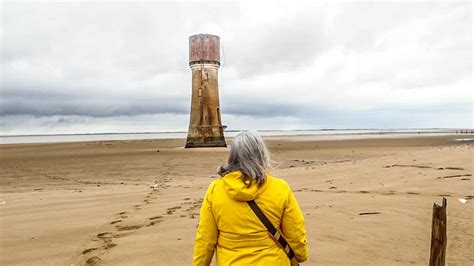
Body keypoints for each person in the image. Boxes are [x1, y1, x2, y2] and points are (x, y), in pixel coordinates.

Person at [193, 131, 309, 265]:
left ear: (233, 157)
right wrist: (301, 255)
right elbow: (295, 230)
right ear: (261, 155)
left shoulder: (215, 190)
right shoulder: (280, 188)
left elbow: (205, 239)